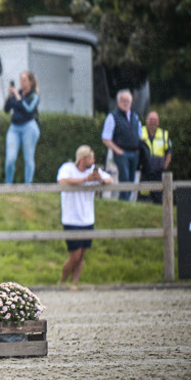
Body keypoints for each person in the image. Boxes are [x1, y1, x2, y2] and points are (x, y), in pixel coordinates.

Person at [57, 145, 113, 286]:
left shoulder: (94, 171)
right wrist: (84, 180)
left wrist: (101, 180)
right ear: (83, 158)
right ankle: (62, 282)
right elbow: (62, 181)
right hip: (71, 219)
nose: (93, 161)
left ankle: (75, 282)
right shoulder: (68, 168)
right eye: (91, 158)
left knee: (81, 255)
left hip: (88, 219)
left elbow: (110, 180)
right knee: (74, 256)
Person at [101, 89, 142, 201]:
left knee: (132, 179)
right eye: (123, 100)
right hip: (121, 153)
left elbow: (139, 135)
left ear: (131, 102)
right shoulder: (112, 117)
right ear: (118, 102)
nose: (125, 103)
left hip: (134, 153)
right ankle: (123, 202)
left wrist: (138, 150)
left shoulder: (135, 117)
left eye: (127, 101)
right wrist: (118, 151)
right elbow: (105, 138)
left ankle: (127, 202)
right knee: (125, 178)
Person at [3, 71, 40, 184]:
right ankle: (8, 184)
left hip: (29, 127)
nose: (22, 82)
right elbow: (6, 109)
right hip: (14, 128)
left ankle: (27, 185)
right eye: (21, 80)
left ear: (31, 82)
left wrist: (18, 98)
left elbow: (28, 109)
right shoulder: (17, 93)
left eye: (24, 80)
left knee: (28, 158)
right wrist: (9, 96)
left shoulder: (34, 96)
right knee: (10, 158)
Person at [139, 111, 171, 203]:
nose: (153, 122)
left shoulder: (164, 134)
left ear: (158, 122)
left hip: (158, 171)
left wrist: (165, 166)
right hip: (144, 170)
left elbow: (169, 152)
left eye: (155, 120)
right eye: (151, 119)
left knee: (158, 195)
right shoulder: (140, 131)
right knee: (144, 195)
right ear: (146, 121)